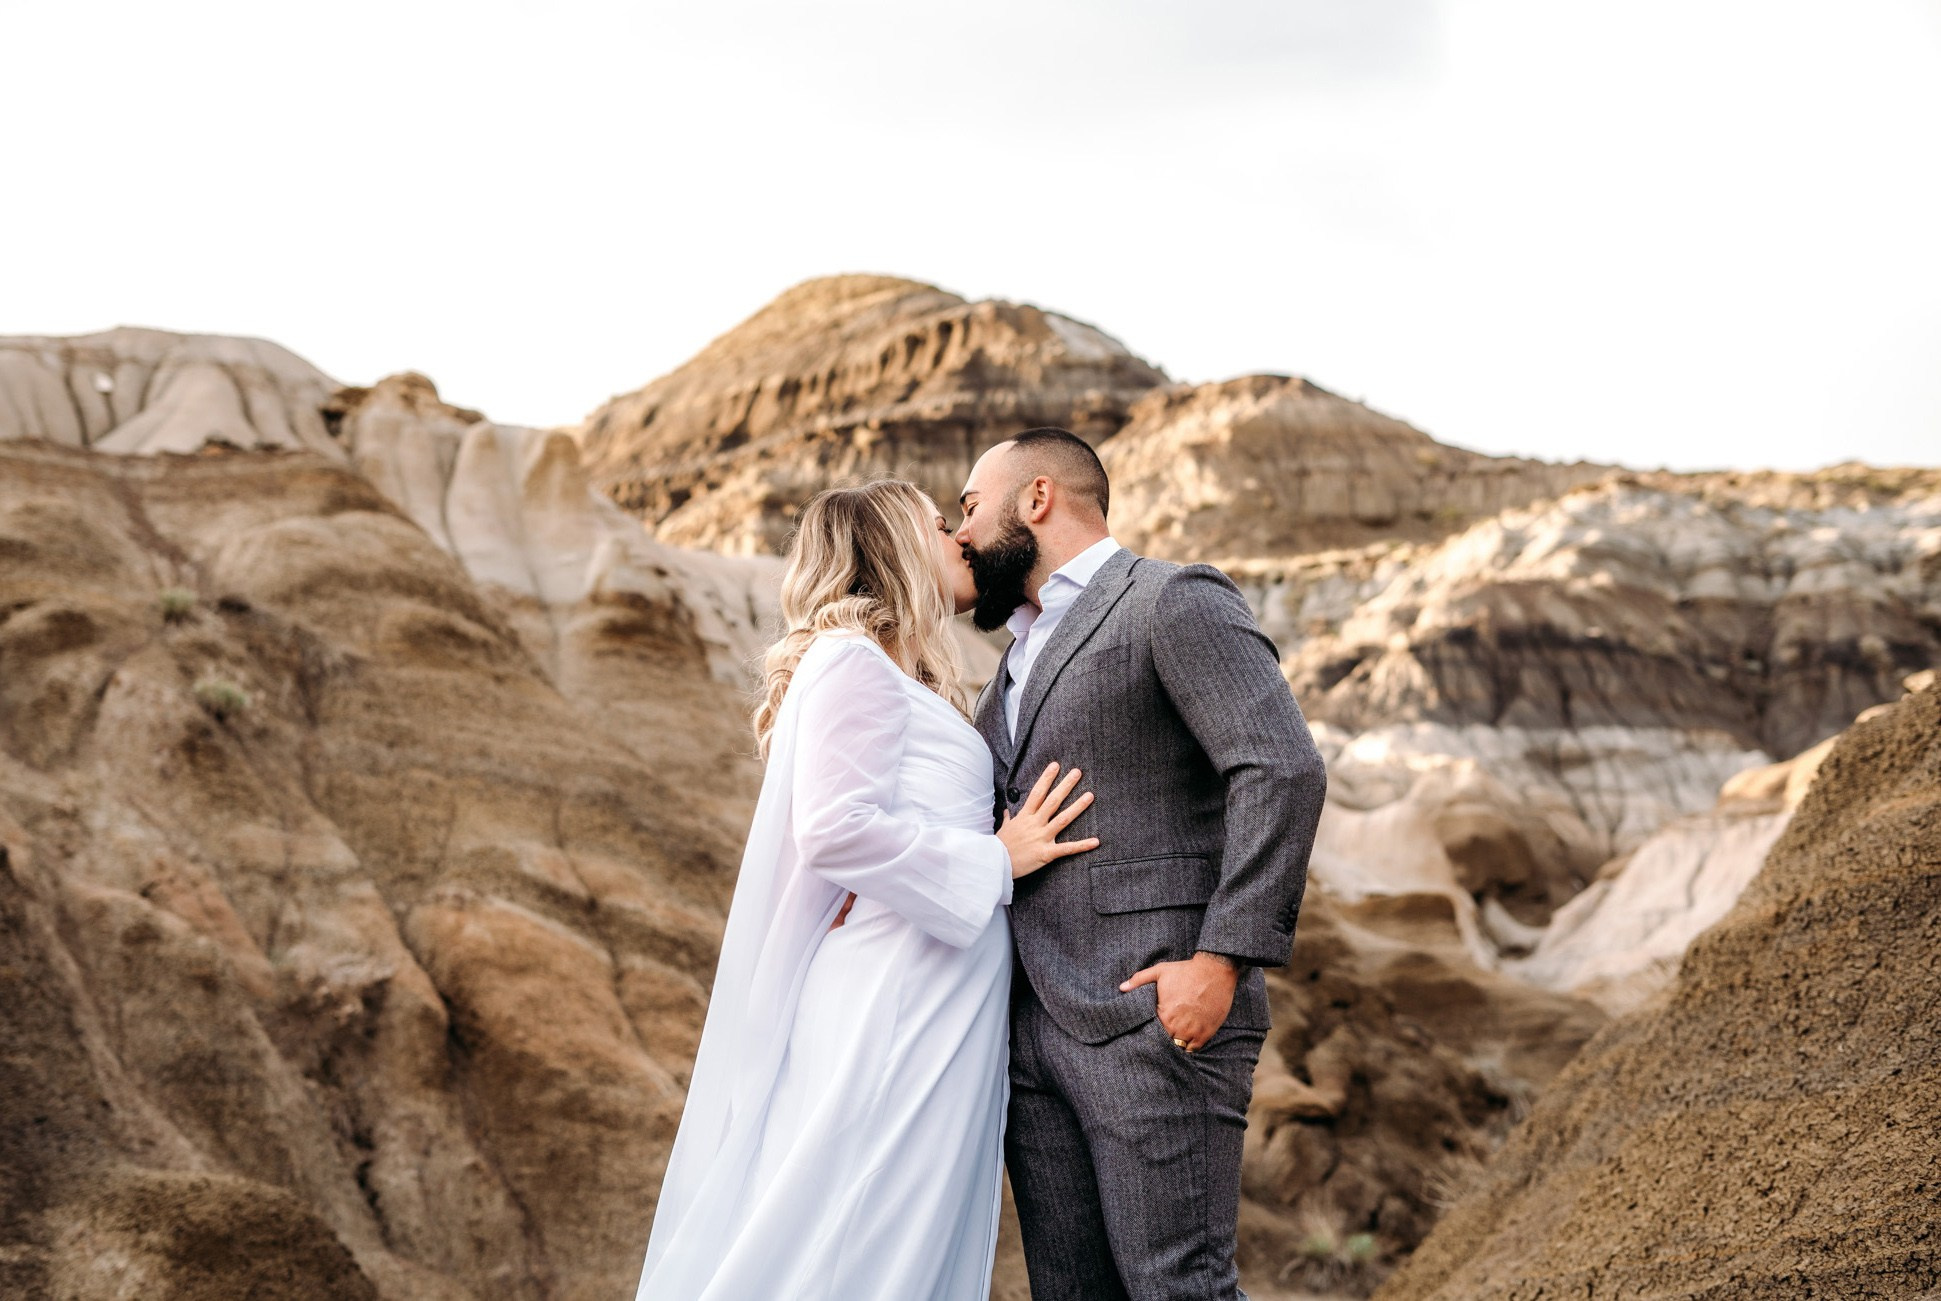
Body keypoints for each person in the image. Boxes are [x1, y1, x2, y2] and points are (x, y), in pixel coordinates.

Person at [634, 479, 1098, 1301]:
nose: (960, 538)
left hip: (932, 996)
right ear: (889, 544)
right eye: (936, 524)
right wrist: (996, 857)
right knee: (855, 1235)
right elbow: (835, 828)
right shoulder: (850, 661)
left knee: (895, 1238)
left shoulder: (896, 675)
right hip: (894, 1002)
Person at [956, 427, 1328, 1301]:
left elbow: (1280, 766)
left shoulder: (1169, 599)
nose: (960, 533)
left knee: (1177, 1288)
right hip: (1030, 1032)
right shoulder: (1006, 663)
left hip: (1154, 1016)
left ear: (1036, 497)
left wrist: (1221, 960)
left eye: (970, 507)